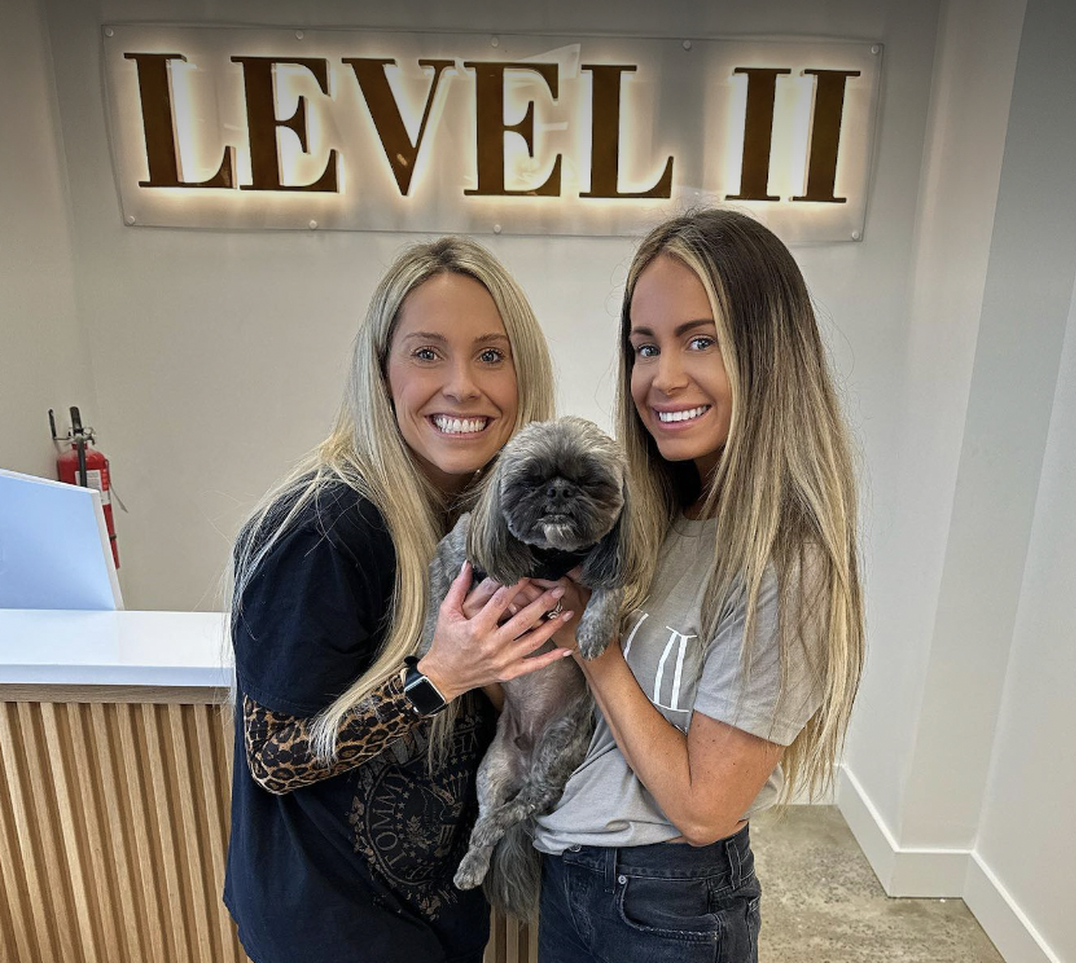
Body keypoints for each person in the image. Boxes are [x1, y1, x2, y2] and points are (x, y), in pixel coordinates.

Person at [223, 237, 578, 963]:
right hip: (333, 933)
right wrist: (436, 676)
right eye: (426, 353)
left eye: (490, 354)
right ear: (381, 370)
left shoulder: (481, 519)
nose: (462, 386)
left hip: (431, 920)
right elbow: (276, 756)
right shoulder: (323, 527)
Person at [534, 209, 866, 963]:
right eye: (644, 346)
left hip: (667, 899)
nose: (661, 376)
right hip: (574, 870)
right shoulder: (663, 517)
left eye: (700, 339)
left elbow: (703, 808)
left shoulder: (788, 558)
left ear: (766, 351)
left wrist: (594, 644)